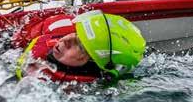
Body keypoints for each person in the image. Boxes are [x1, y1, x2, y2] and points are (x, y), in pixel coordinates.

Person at [14, 10, 146, 85]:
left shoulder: (81, 90)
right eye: (78, 34)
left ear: (91, 64)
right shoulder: (53, 33)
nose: (67, 40)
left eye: (82, 47)